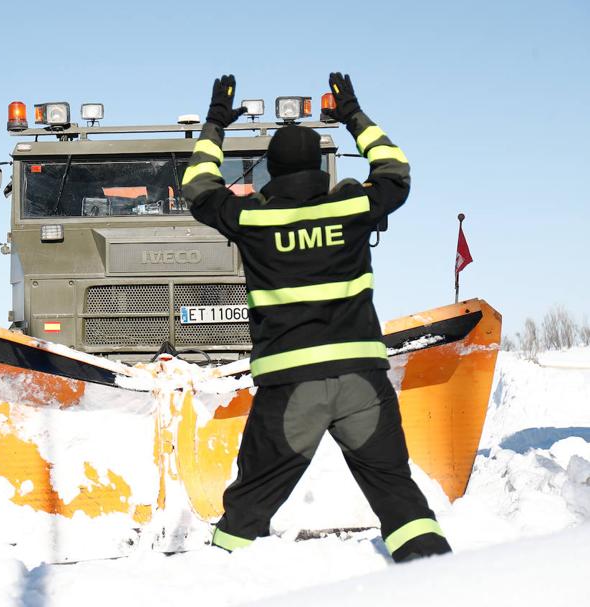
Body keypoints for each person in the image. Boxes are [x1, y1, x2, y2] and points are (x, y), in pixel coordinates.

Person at [181, 72, 451, 563]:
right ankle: (437, 580)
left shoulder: (253, 219)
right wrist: (352, 114)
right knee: (399, 500)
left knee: (247, 511)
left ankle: (216, 581)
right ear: (319, 170)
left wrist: (217, 121)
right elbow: (395, 170)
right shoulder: (353, 206)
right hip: (362, 384)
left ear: (271, 173)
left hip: (289, 389)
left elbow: (197, 186)